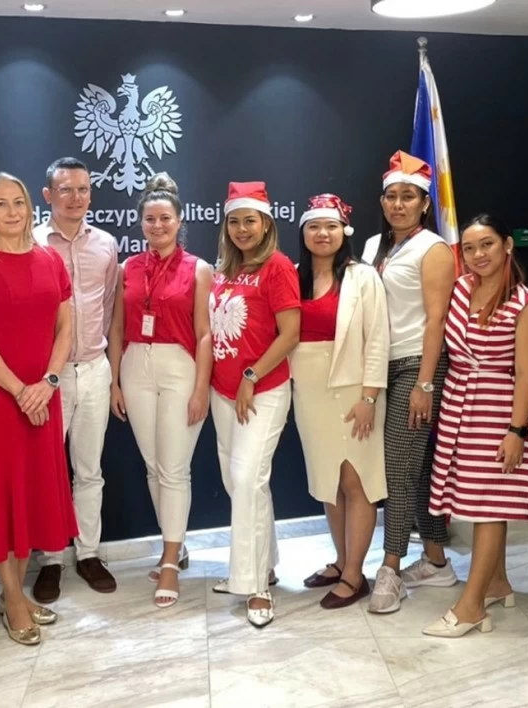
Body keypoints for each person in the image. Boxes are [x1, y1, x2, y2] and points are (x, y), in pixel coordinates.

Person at [0, 172, 79, 647]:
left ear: (30, 208)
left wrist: (46, 384)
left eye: (19, 202)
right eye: (0, 204)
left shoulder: (50, 259)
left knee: (30, 494)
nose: (11, 211)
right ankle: (12, 598)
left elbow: (67, 328)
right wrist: (20, 390)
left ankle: (16, 595)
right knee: (2, 498)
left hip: (43, 394)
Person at [423, 215, 528, 638]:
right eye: (470, 248)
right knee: (472, 499)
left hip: (498, 411)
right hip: (460, 405)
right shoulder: (460, 290)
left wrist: (516, 432)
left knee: (488, 506)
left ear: (508, 245)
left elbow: (527, 375)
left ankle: (472, 606)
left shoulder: (525, 304)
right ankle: (497, 583)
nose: (478, 255)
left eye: (487, 245)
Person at [108, 173, 214, 608]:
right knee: (154, 466)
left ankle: (169, 558)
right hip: (136, 365)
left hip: (180, 367)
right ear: (141, 223)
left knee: (174, 468)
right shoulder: (127, 268)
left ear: (179, 220)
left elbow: (206, 334)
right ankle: (178, 543)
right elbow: (116, 327)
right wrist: (115, 379)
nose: (157, 226)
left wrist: (201, 388)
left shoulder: (199, 269)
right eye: (150, 219)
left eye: (165, 218)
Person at [361, 151, 457, 614]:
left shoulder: (433, 249)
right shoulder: (371, 247)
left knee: (397, 469)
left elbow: (436, 318)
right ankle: (437, 561)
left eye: (408, 197)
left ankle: (390, 567)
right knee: (413, 466)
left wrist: (425, 385)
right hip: (378, 367)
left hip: (418, 365)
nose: (398, 204)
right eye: (392, 196)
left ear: (424, 204)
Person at [209, 181, 301, 627]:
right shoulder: (224, 270)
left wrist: (251, 374)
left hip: (261, 391)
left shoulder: (278, 267)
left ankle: (255, 586)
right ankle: (263, 562)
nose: (242, 229)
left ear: (266, 223)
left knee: (247, 479)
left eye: (250, 220)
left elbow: (290, 334)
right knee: (242, 483)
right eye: (234, 221)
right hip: (221, 393)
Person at [290, 194, 389, 610]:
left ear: (343, 231)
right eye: (314, 226)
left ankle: (355, 575)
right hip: (309, 389)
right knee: (329, 483)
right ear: (304, 233)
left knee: (356, 480)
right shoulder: (293, 275)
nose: (322, 234)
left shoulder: (362, 277)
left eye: (330, 226)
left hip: (354, 389)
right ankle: (341, 561)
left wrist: (369, 395)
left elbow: (378, 337)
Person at [32, 157, 120, 603]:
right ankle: (50, 559)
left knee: (90, 470)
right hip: (51, 376)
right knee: (50, 472)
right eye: (65, 190)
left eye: (83, 189)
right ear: (47, 195)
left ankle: (87, 553)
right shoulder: (28, 244)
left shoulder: (105, 244)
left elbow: (108, 308)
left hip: (96, 369)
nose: (76, 198)